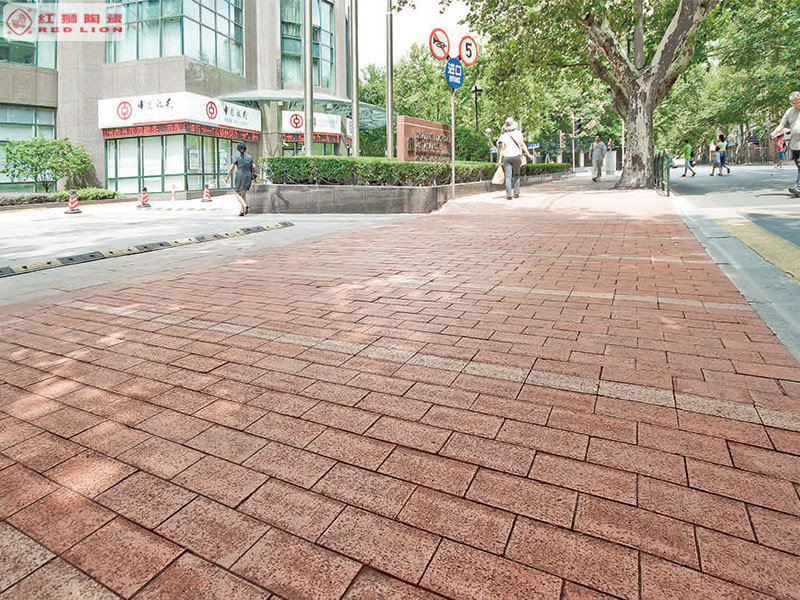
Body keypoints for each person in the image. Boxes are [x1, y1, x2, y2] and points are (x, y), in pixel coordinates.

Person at [771, 91, 800, 197]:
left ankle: (798, 187)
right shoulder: (789, 111)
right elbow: (782, 124)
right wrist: (775, 132)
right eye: (793, 103)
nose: (795, 105)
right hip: (795, 142)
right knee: (798, 164)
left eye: (797, 103)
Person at [497, 117, 534, 199]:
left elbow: (502, 148)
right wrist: (528, 154)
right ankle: (516, 192)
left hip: (506, 157)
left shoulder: (504, 136)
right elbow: (522, 145)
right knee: (516, 175)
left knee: (508, 177)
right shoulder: (518, 133)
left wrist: (500, 160)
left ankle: (509, 195)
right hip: (516, 156)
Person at [224, 142, 254, 216]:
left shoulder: (237, 157)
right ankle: (242, 210)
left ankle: (244, 205)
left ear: (238, 149)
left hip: (240, 175)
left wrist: (227, 178)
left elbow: (231, 169)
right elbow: (254, 166)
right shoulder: (250, 157)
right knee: (243, 194)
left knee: (237, 193)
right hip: (248, 175)